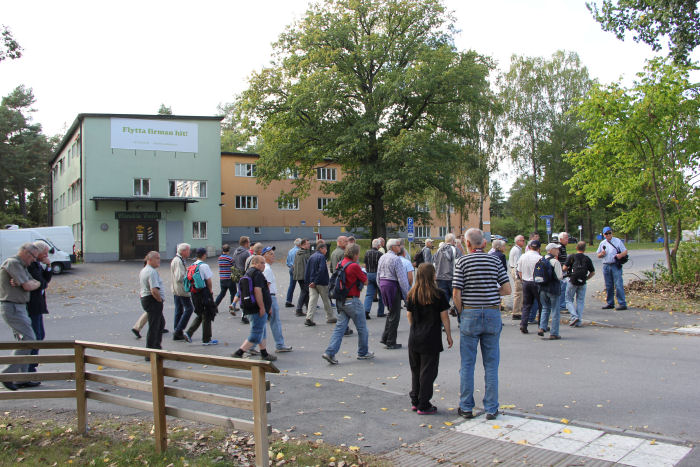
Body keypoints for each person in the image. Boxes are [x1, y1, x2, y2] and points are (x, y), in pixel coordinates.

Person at [452, 228, 510, 420]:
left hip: (470, 312)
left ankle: (466, 406)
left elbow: (456, 293)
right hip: (492, 313)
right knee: (491, 364)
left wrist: (462, 312)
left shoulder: (462, 261)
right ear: (483, 243)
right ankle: (492, 408)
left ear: (468, 243)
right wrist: (491, 294)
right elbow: (507, 289)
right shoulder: (494, 260)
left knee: (467, 364)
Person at [406, 263, 453, 415]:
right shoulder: (438, 294)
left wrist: (415, 327)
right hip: (431, 337)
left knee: (416, 369)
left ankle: (415, 399)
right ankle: (424, 403)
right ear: (432, 276)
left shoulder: (412, 293)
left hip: (415, 336)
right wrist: (448, 334)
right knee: (428, 371)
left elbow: (409, 315)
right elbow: (444, 316)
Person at [321, 244, 372, 364]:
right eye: (358, 254)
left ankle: (330, 352)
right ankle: (363, 352)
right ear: (355, 255)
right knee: (362, 328)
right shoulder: (354, 266)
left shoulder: (341, 263)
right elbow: (365, 282)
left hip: (341, 300)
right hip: (352, 300)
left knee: (339, 328)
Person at [0, 243, 41, 390]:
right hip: (12, 307)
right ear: (26, 253)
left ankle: (21, 378)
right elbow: (29, 286)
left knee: (23, 342)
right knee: (29, 340)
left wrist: (28, 282)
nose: (34, 261)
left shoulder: (22, 266)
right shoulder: (13, 263)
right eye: (34, 257)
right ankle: (7, 374)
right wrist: (27, 283)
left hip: (20, 307)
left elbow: (37, 283)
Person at [231, 255, 278, 362]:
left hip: (250, 307)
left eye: (264, 263)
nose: (263, 265)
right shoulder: (257, 274)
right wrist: (262, 307)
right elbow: (258, 291)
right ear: (255, 263)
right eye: (261, 263)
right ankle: (239, 352)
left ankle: (264, 353)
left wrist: (267, 307)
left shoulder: (248, 273)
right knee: (256, 333)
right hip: (256, 309)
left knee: (262, 330)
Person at [378, 238, 410, 349]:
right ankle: (391, 341)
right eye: (398, 245)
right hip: (392, 286)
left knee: (391, 312)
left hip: (383, 285)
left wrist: (381, 287)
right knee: (395, 315)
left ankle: (385, 337)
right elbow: (402, 279)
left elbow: (378, 274)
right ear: (393, 247)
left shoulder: (382, 257)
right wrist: (407, 295)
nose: (400, 247)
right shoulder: (396, 259)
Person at [25, 241, 52, 373]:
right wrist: (41, 283)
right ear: (38, 252)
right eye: (45, 253)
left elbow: (45, 281)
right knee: (35, 336)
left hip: (38, 305)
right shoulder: (32, 265)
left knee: (40, 336)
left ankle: (31, 366)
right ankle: (29, 368)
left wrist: (48, 265)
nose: (47, 255)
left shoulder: (38, 265)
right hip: (32, 306)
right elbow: (42, 283)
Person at [261, 246, 293, 352]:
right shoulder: (267, 269)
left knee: (262, 323)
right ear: (264, 256)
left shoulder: (265, 268)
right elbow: (266, 286)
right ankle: (280, 344)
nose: (273, 256)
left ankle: (252, 346)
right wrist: (268, 303)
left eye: (273, 253)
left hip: (268, 297)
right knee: (275, 322)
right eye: (270, 254)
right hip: (270, 297)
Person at [184, 248, 219, 345]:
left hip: (194, 292)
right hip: (203, 292)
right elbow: (208, 280)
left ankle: (189, 333)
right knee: (207, 314)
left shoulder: (192, 265)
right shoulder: (204, 266)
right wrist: (210, 291)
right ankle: (206, 339)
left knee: (201, 313)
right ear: (204, 255)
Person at [139, 251, 165, 357]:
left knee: (160, 323)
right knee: (154, 326)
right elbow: (154, 289)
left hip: (147, 298)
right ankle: (151, 351)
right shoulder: (151, 272)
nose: (159, 260)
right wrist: (159, 300)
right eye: (157, 258)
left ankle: (157, 347)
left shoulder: (145, 270)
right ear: (150, 260)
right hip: (152, 300)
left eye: (159, 258)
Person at [596, 226, 628, 310]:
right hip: (606, 265)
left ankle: (622, 303)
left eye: (609, 233)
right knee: (608, 285)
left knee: (618, 284)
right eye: (606, 234)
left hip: (615, 265)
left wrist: (620, 255)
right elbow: (598, 255)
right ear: (603, 234)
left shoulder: (617, 241)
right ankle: (610, 303)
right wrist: (602, 254)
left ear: (611, 233)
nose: (608, 235)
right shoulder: (602, 243)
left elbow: (625, 251)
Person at [565, 241, 595, 327]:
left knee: (568, 299)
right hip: (582, 281)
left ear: (576, 248)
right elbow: (592, 272)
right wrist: (586, 278)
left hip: (573, 280)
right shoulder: (587, 259)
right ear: (585, 249)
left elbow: (564, 268)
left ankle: (574, 316)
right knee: (580, 301)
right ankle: (578, 321)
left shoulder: (572, 257)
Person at [304, 243, 335, 326]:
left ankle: (309, 318)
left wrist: (309, 282)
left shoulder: (311, 256)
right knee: (326, 300)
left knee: (312, 301)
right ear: (321, 249)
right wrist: (315, 281)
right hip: (321, 282)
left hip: (312, 283)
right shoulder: (321, 257)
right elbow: (321, 270)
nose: (326, 251)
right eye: (325, 249)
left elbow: (307, 270)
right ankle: (330, 317)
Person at [516, 239, 542, 334]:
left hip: (526, 282)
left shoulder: (523, 256)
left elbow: (519, 270)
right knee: (541, 304)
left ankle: (523, 324)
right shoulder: (539, 258)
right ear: (539, 248)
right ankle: (541, 326)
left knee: (526, 305)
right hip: (537, 282)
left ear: (530, 247)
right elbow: (541, 271)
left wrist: (523, 280)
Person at [538, 243, 563, 340]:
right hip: (553, 288)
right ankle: (554, 333)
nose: (558, 251)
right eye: (556, 249)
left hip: (542, 288)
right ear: (551, 250)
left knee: (545, 308)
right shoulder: (555, 262)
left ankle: (542, 327)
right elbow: (559, 276)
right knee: (555, 311)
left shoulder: (541, 260)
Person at [171, 243, 194, 341]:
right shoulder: (178, 261)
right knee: (189, 308)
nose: (190, 252)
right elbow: (180, 277)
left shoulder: (178, 260)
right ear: (183, 251)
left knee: (179, 309)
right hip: (181, 289)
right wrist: (189, 275)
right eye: (188, 250)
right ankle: (178, 330)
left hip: (177, 289)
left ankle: (177, 330)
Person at [433, 233, 460, 304]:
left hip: (440, 278)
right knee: (456, 300)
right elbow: (459, 264)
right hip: (452, 278)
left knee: (443, 302)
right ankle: (455, 311)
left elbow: (434, 263)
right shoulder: (455, 249)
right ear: (453, 241)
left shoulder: (439, 250)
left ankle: (443, 314)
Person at [231, 236, 252, 319]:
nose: (249, 243)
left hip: (237, 274)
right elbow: (249, 264)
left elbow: (233, 263)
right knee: (245, 294)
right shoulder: (246, 253)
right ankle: (244, 314)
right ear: (246, 243)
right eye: (249, 242)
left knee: (240, 291)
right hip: (245, 274)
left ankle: (233, 304)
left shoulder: (235, 252)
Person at [363, 239, 384, 318]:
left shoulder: (367, 253)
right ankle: (380, 312)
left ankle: (366, 311)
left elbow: (365, 265)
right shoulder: (380, 254)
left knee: (369, 294)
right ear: (378, 246)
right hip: (377, 274)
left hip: (369, 274)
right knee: (381, 294)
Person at [214, 244, 236, 313]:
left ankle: (215, 306)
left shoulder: (219, 258)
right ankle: (232, 307)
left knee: (222, 293)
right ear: (228, 250)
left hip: (222, 278)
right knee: (233, 293)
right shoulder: (230, 259)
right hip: (229, 278)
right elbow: (234, 267)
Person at [292, 239, 311, 317]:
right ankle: (299, 309)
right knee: (304, 292)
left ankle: (308, 308)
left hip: (300, 276)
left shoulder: (299, 253)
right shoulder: (304, 254)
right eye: (307, 244)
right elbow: (307, 266)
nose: (309, 245)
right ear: (303, 245)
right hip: (303, 276)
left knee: (306, 292)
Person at [508, 235, 525, 320]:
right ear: (518, 241)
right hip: (516, 271)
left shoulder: (517, 249)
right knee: (519, 292)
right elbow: (517, 263)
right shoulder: (516, 250)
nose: (524, 242)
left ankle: (518, 310)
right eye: (522, 240)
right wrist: (519, 275)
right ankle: (516, 312)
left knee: (520, 292)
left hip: (514, 270)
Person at [285, 238, 301, 307]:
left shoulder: (290, 251)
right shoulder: (299, 251)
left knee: (291, 286)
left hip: (291, 268)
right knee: (303, 286)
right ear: (300, 244)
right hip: (298, 269)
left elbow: (287, 262)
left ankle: (288, 301)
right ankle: (304, 301)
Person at [556, 232, 570, 311]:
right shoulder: (559, 247)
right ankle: (561, 306)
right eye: (566, 238)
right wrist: (560, 269)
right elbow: (556, 258)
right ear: (560, 239)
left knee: (563, 287)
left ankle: (562, 305)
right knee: (563, 288)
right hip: (561, 271)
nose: (567, 240)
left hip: (564, 270)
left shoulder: (563, 247)